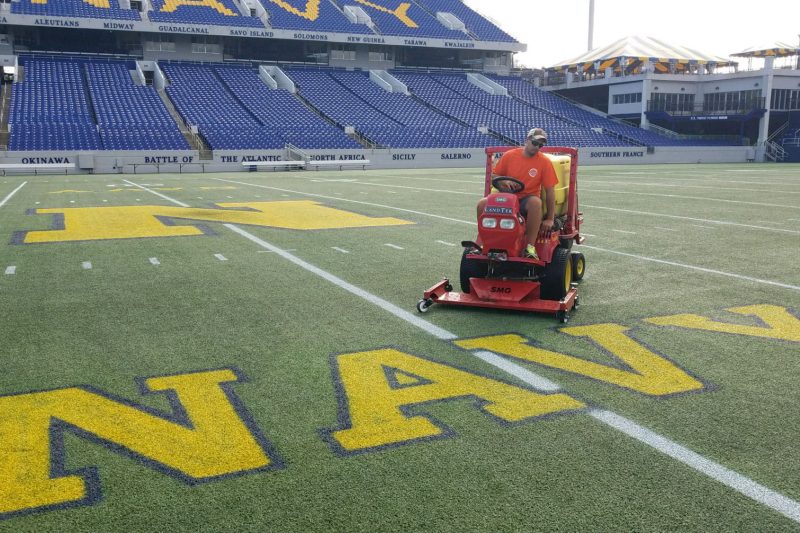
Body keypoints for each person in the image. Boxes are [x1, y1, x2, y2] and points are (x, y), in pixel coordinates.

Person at [476, 128, 558, 260]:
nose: (537, 147)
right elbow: (494, 176)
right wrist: (505, 181)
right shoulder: (509, 156)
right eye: (535, 143)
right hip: (507, 197)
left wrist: (550, 219)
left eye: (540, 145)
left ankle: (530, 247)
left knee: (535, 203)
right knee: (482, 204)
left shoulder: (544, 162)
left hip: (526, 199)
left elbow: (550, 191)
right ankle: (481, 241)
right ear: (527, 140)